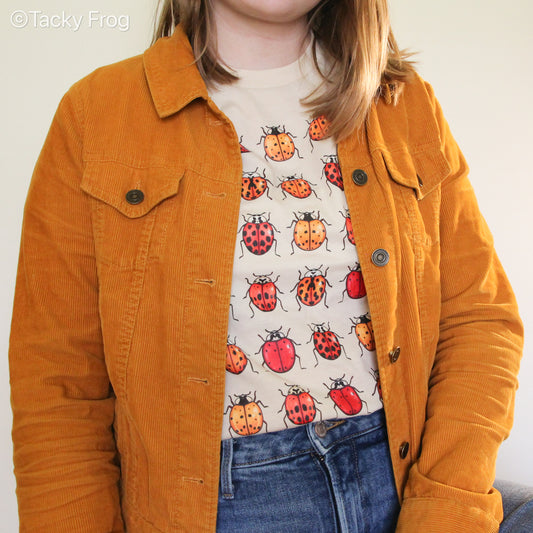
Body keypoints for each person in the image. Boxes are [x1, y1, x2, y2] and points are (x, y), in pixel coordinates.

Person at [8, 0, 533, 531]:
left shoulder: (405, 103)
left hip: (408, 477)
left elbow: (481, 319)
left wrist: (445, 505)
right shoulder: (96, 115)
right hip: (230, 503)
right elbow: (58, 390)